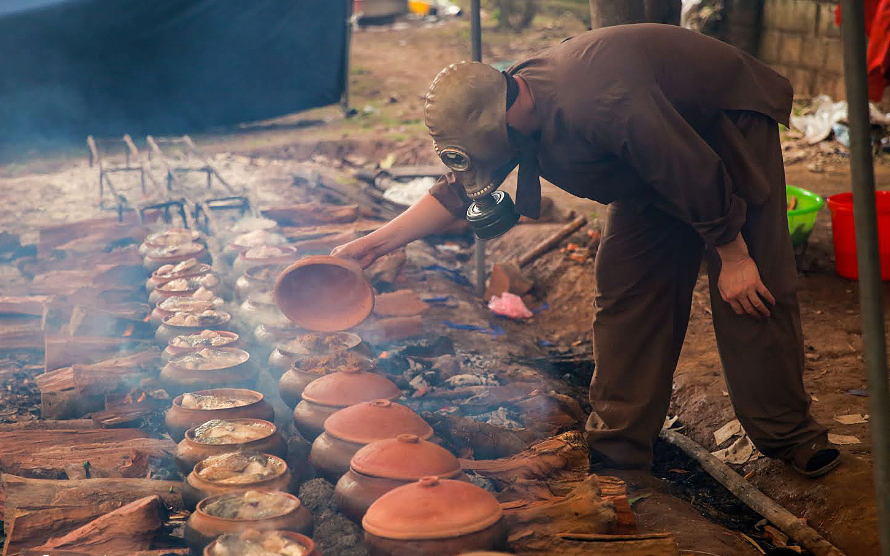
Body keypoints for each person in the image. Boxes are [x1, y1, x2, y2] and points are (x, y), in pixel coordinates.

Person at [333, 23, 840, 477]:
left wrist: (734, 255)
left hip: (720, 125)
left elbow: (691, 168)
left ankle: (790, 436)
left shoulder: (599, 104)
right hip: (647, 161)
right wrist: (376, 244)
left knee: (751, 292)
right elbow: (454, 193)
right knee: (627, 292)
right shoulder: (506, 106)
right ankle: (620, 452)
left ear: (505, 118)